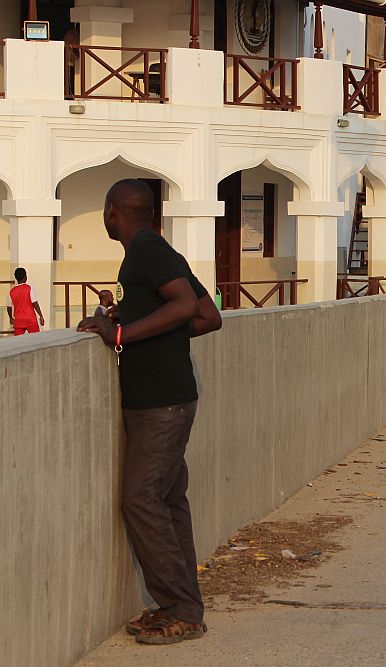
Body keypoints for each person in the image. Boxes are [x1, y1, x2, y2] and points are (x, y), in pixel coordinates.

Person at [77, 180, 222, 645]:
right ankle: (182, 606)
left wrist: (121, 336)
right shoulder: (153, 250)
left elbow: (186, 307)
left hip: (162, 402)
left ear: (112, 210)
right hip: (166, 397)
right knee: (168, 500)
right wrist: (127, 317)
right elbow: (207, 316)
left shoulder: (146, 250)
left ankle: (181, 610)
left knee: (139, 499)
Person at [7, 267, 45, 335]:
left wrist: (10, 317)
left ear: (16, 278)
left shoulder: (11, 291)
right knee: (36, 339)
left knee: (18, 341)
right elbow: (35, 303)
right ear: (25, 277)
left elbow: (9, 307)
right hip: (30, 319)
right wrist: (41, 316)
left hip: (19, 320)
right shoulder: (29, 288)